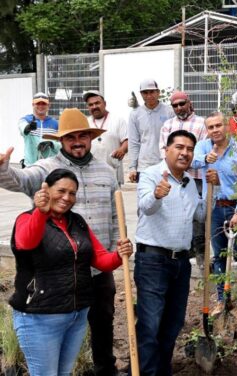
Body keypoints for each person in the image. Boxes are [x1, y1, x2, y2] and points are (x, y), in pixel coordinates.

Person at [0, 108, 122, 376]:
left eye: (83, 136)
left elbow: (115, 216)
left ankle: (105, 370)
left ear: (91, 138)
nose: (77, 142)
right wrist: (2, 168)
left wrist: (114, 253)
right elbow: (16, 180)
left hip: (98, 265)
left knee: (103, 322)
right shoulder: (46, 169)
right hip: (57, 271)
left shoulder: (106, 171)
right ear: (61, 141)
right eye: (71, 138)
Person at [9, 168, 132, 375]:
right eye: (61, 191)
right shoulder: (27, 218)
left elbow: (101, 260)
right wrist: (40, 211)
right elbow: (26, 242)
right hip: (40, 318)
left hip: (76, 316)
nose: (67, 198)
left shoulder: (78, 222)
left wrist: (120, 254)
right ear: (46, 190)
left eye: (72, 193)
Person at [134, 130, 206, 375]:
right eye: (179, 147)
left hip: (181, 263)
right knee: (150, 324)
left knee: (172, 324)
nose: (184, 152)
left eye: (189, 149)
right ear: (166, 149)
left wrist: (211, 189)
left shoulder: (189, 182)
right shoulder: (152, 175)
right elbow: (146, 207)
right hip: (153, 260)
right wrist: (157, 194)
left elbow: (200, 215)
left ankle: (161, 370)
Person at [192, 112, 237, 313]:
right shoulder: (204, 147)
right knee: (218, 255)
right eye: (211, 127)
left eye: (219, 125)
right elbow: (192, 161)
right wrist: (203, 159)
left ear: (227, 126)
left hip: (236, 206)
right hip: (215, 207)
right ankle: (222, 298)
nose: (215, 130)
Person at [159, 90, 208, 269]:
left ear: (189, 103)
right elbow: (163, 151)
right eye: (175, 105)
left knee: (198, 216)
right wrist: (176, 166)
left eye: (182, 103)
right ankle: (184, 249)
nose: (179, 108)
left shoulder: (202, 123)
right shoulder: (167, 125)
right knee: (176, 212)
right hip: (172, 177)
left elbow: (202, 150)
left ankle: (201, 252)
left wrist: (185, 163)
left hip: (195, 178)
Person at [127, 78, 174, 183]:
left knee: (167, 197)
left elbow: (174, 140)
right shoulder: (135, 114)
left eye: (152, 91)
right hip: (144, 167)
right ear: (141, 94)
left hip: (165, 165)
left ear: (158, 92)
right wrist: (132, 167)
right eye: (145, 92)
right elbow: (134, 142)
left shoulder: (169, 112)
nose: (149, 95)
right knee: (145, 198)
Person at [83, 90, 128, 186]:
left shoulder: (118, 120)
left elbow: (126, 140)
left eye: (97, 103)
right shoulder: (85, 123)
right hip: (91, 173)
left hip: (112, 170)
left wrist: (122, 149)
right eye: (90, 105)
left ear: (104, 103)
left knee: (114, 200)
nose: (94, 107)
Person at [18, 92, 60, 167]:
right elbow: (23, 129)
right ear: (33, 105)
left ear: (48, 106)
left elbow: (62, 145)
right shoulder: (26, 120)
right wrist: (28, 127)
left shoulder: (56, 123)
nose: (41, 106)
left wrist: (52, 144)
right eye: (38, 103)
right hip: (30, 166)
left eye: (43, 103)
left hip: (50, 166)